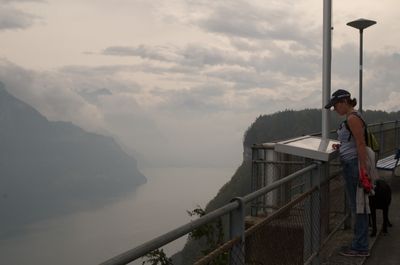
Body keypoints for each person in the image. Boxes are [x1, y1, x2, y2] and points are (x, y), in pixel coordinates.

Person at [325, 89, 370, 257]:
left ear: (344, 102)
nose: (335, 109)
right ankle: (360, 244)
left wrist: (363, 170)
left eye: (335, 105)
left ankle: (360, 247)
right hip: (352, 164)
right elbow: (352, 142)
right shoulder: (353, 117)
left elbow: (360, 143)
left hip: (353, 166)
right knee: (358, 205)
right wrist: (341, 145)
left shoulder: (352, 118)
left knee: (357, 206)